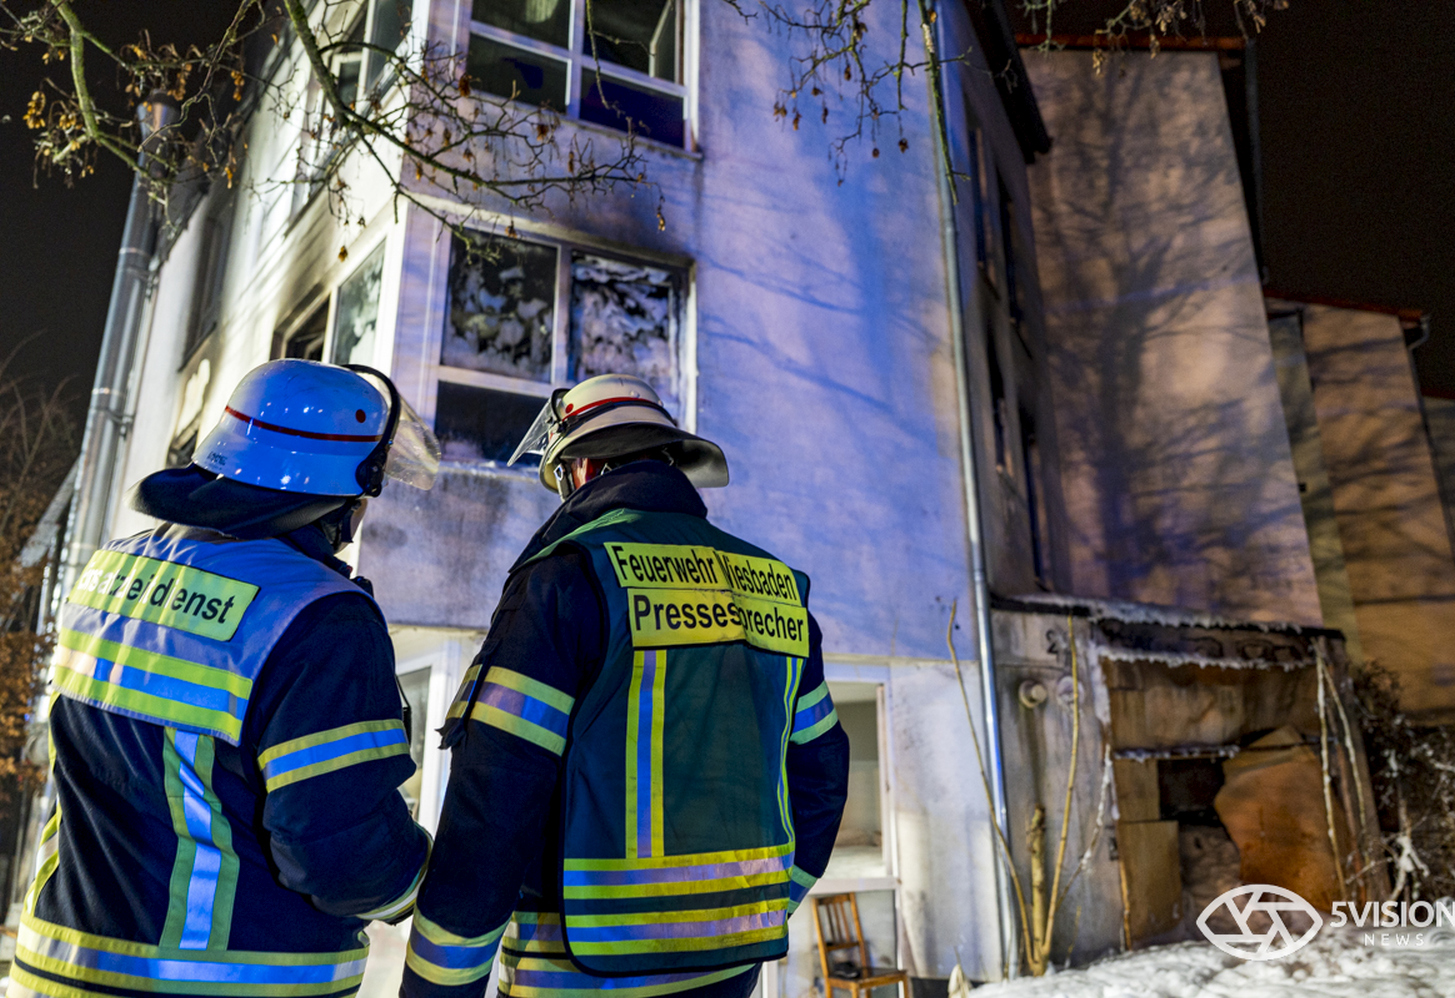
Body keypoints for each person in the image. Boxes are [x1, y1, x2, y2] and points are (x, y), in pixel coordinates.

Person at [402, 374, 850, 998]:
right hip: (730, 968)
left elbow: (496, 798)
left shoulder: (567, 578)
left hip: (576, 971)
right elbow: (821, 776)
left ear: (580, 468)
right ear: (671, 462)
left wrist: (439, 988)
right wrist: (770, 902)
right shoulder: (776, 587)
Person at [9, 360, 440, 998]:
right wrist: (428, 879)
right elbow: (338, 854)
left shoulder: (109, 572)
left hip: (56, 970)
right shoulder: (318, 615)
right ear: (346, 501)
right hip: (215, 982)